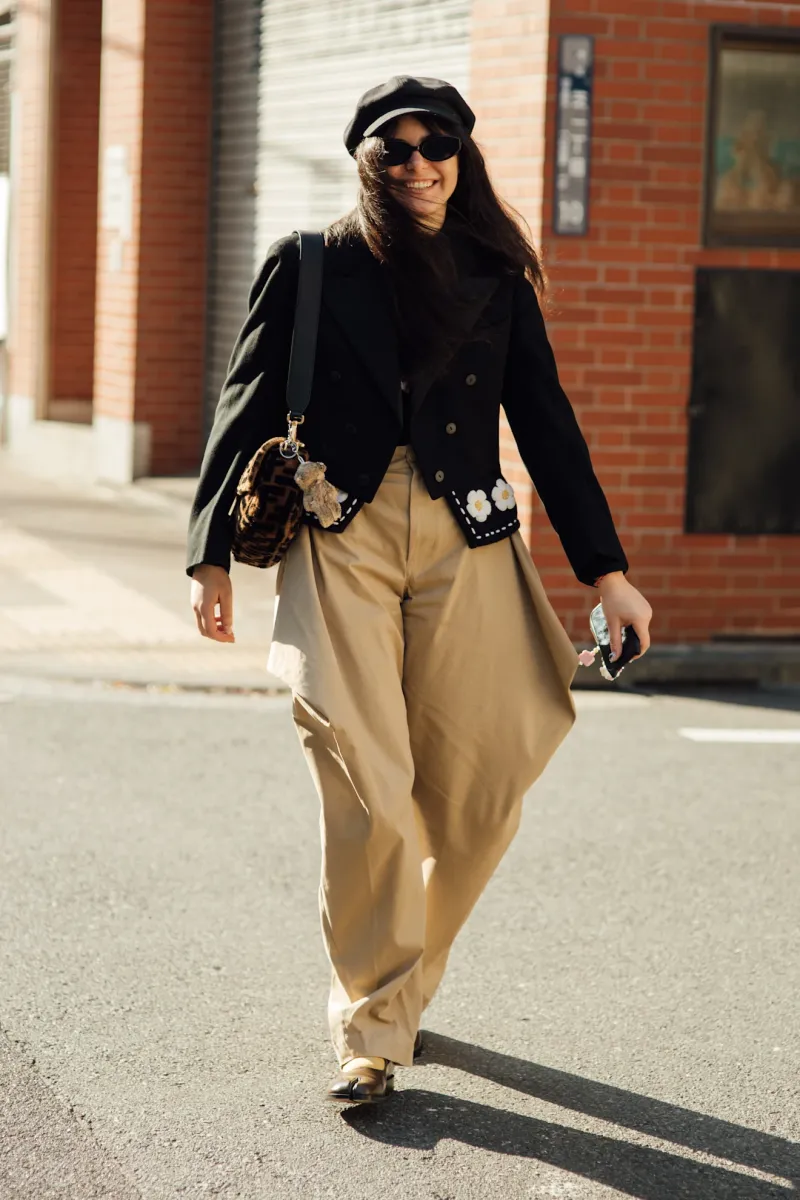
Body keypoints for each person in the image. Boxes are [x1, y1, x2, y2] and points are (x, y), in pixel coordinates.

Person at [186, 76, 653, 1105]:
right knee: (368, 779)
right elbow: (244, 403)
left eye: (434, 144)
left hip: (468, 536)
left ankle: (401, 988)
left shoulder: (494, 271)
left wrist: (607, 574)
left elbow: (546, 421)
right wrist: (210, 554)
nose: (416, 165)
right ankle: (372, 1025)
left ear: (461, 155)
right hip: (339, 530)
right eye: (392, 149)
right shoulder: (310, 262)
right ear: (366, 160)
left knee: (484, 793)